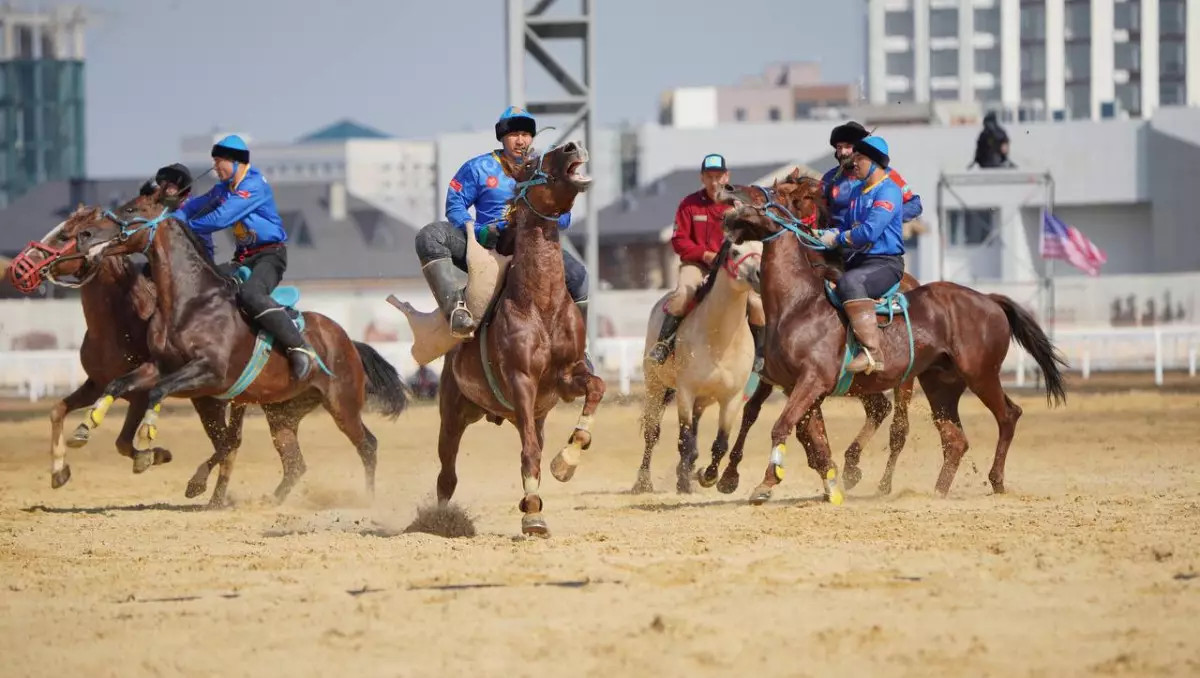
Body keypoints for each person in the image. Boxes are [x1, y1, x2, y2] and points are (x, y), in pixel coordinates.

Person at [413, 106, 588, 338]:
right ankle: (455, 311)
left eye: (526, 135)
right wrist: (477, 231)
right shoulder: (478, 168)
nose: (520, 140)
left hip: (532, 249)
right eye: (514, 134)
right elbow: (454, 205)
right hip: (487, 247)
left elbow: (564, 217)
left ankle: (578, 349)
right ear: (502, 137)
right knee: (430, 236)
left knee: (579, 276)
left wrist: (551, 218)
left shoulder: (544, 171)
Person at [171, 134, 317, 380]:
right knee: (206, 287)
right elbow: (193, 207)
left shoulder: (253, 185)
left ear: (236, 162)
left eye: (219, 162)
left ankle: (300, 347)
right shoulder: (222, 189)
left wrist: (183, 227)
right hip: (243, 258)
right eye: (214, 162)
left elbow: (220, 219)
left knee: (251, 294)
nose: (215, 168)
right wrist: (169, 215)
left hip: (270, 256)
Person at [648, 153, 767, 371]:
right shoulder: (689, 204)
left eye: (718, 176)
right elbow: (679, 241)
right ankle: (663, 345)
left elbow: (754, 238)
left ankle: (761, 355)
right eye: (709, 177)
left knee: (757, 302)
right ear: (702, 178)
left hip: (733, 267)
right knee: (683, 294)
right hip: (698, 265)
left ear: (726, 176)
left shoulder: (740, 206)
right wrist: (704, 255)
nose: (714, 182)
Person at [817, 135, 906, 375]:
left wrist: (837, 238)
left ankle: (872, 352)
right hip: (857, 261)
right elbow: (845, 228)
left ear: (876, 163)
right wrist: (818, 235)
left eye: (860, 158)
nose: (854, 163)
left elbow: (868, 232)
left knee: (850, 282)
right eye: (854, 158)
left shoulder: (889, 191)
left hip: (885, 264)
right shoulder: (857, 191)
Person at [820, 121, 923, 231]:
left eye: (848, 146)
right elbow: (816, 210)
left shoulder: (886, 175)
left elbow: (915, 205)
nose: (843, 152)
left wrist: (885, 216)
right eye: (839, 147)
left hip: (875, 241)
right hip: (837, 241)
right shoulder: (829, 179)